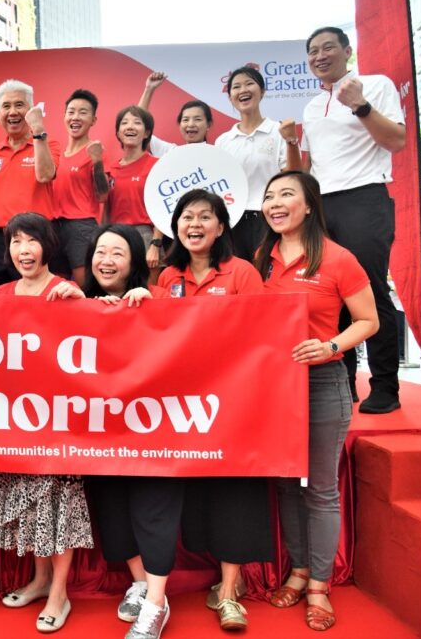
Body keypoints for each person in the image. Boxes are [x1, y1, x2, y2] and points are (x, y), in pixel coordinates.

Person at [256, 171, 378, 632]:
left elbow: (368, 321)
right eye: (269, 196)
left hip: (323, 383)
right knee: (288, 484)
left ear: (309, 205)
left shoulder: (338, 257)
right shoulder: (262, 259)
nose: (275, 203)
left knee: (321, 489)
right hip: (274, 388)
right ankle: (299, 570)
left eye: (286, 194)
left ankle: (320, 587)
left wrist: (330, 346)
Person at [157, 190, 270, 631]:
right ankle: (220, 583)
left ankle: (228, 593)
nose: (195, 224)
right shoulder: (169, 277)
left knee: (234, 492)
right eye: (187, 217)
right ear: (176, 227)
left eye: (206, 217)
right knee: (201, 494)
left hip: (235, 404)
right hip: (185, 408)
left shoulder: (242, 272)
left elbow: (261, 335)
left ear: (221, 227)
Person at [0, 213, 89, 634]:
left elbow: (91, 351)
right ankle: (40, 580)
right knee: (31, 505)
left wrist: (80, 306)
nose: (23, 250)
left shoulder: (65, 290)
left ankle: (59, 593)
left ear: (48, 245)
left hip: (59, 424)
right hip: (14, 422)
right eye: (16, 241)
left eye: (31, 240)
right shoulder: (0, 294)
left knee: (59, 508)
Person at [300, 26, 406, 414]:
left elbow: (396, 140)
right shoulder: (312, 107)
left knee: (370, 292)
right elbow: (308, 165)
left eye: (328, 47)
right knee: (329, 295)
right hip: (321, 206)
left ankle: (385, 386)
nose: (320, 55)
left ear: (347, 51)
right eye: (313, 51)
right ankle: (344, 381)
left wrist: (360, 106)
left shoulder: (375, 86)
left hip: (364, 197)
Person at [85, 224, 177, 639]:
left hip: (155, 433)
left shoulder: (158, 297)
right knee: (114, 513)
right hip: (101, 437)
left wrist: (153, 310)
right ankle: (140, 583)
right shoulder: (80, 301)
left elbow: (191, 339)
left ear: (135, 261)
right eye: (100, 252)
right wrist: (75, 307)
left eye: (117, 253)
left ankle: (156, 603)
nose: (106, 261)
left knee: (153, 509)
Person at [0, 79, 60, 292]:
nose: (13, 112)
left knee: (35, 295)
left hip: (34, 237)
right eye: (6, 106)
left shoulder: (48, 144)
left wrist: (38, 130)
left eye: (19, 105)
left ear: (31, 110)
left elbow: (45, 175)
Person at [214, 67, 302, 261]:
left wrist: (291, 140)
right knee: (238, 274)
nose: (243, 90)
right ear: (230, 98)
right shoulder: (223, 141)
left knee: (268, 270)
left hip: (270, 218)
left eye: (249, 84)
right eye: (236, 87)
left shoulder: (278, 131)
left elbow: (295, 177)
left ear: (262, 91)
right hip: (233, 221)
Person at [50, 90, 108, 287]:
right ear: (64, 116)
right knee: (56, 288)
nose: (75, 117)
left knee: (87, 289)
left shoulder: (96, 151)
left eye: (83, 112)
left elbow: (103, 196)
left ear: (93, 120)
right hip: (53, 226)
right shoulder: (56, 153)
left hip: (81, 226)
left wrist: (97, 162)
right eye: (71, 112)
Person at [104, 106, 162, 280]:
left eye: (137, 123)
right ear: (118, 133)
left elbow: (163, 208)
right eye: (124, 123)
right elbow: (106, 211)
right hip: (116, 236)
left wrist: (155, 244)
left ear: (146, 133)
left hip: (145, 236)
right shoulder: (110, 169)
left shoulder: (156, 165)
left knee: (149, 292)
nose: (130, 126)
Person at [137, 71, 213, 157]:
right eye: (185, 120)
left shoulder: (218, 154)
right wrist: (149, 89)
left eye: (197, 119)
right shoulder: (170, 152)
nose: (191, 124)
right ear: (180, 125)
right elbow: (139, 131)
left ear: (208, 125)